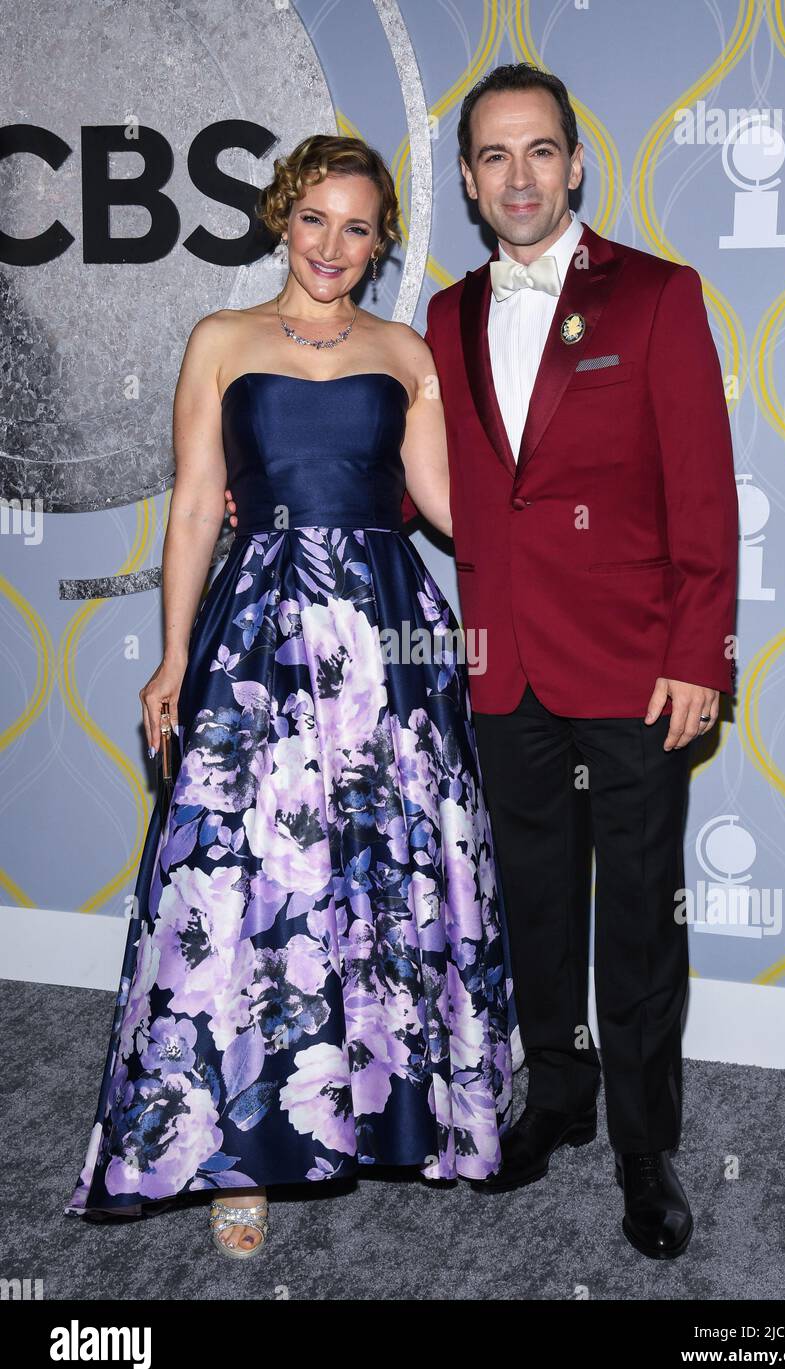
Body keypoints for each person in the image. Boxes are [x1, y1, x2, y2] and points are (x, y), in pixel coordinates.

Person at [230, 67, 740, 1261]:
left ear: (573, 164)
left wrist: (700, 651)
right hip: (495, 666)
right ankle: (554, 1099)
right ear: (466, 179)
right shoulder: (442, 321)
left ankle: (642, 1144)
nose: (517, 176)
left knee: (638, 924)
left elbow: (703, 493)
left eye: (538, 152)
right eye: (493, 157)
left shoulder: (658, 297)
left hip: (634, 671)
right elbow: (410, 475)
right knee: (531, 907)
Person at [64, 134, 513, 1258]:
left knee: (389, 862)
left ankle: (392, 1112)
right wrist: (172, 656)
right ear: (281, 215)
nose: (332, 245)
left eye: (358, 226)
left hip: (385, 635)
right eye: (314, 218)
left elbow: (452, 513)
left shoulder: (405, 349)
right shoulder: (220, 340)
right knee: (248, 878)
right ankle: (236, 1148)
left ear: (380, 241)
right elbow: (190, 508)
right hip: (258, 627)